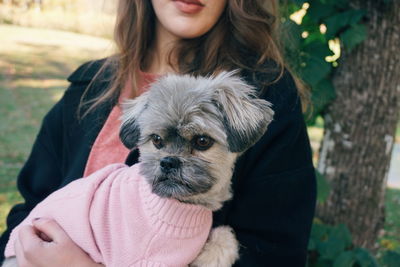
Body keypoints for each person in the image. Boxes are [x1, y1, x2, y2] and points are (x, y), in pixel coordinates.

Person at [0, 0, 316, 266]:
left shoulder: (264, 96)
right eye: (158, 141)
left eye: (201, 142)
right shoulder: (88, 88)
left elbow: (275, 254)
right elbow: (29, 210)